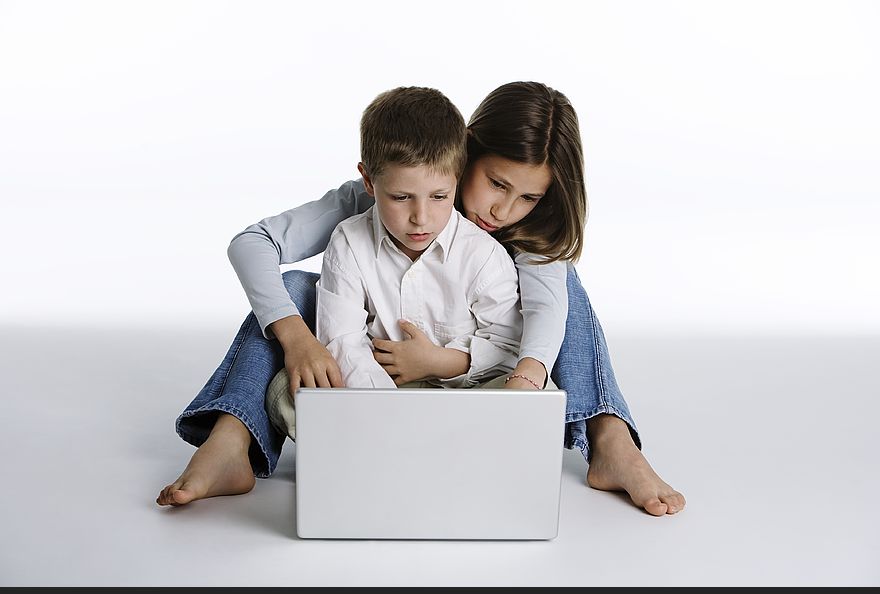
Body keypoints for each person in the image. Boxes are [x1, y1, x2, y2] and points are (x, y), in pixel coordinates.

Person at [157, 81, 685, 517]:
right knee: (295, 291)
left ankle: (610, 437)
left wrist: (519, 382)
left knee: (564, 292)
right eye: (496, 183)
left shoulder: (517, 240)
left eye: (528, 197)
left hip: (477, 369)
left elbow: (544, 316)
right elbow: (252, 246)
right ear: (467, 156)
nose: (503, 210)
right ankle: (233, 436)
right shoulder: (378, 200)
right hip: (367, 353)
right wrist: (297, 338)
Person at [265, 86, 549, 437]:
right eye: (401, 197)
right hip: (379, 386)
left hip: (461, 392)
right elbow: (343, 340)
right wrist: (385, 411)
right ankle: (402, 445)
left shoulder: (483, 254)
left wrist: (441, 364)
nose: (421, 218)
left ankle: (444, 445)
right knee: (288, 388)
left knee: (536, 391)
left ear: (456, 182)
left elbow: (506, 347)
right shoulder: (349, 241)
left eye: (439, 197)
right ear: (368, 180)